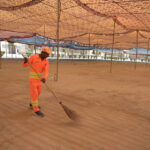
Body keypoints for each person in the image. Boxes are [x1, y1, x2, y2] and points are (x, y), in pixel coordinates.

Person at [22, 47, 52, 117]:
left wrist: (45, 78)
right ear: (43, 53)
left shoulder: (46, 61)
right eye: (47, 54)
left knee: (38, 93)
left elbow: (46, 71)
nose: (48, 56)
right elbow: (25, 65)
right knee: (34, 94)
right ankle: (36, 109)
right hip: (32, 80)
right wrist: (26, 61)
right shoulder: (34, 57)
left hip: (39, 80)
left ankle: (32, 103)